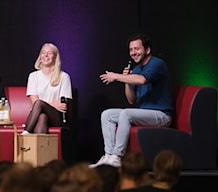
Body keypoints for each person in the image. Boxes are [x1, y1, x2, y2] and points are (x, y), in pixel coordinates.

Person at [91, 33, 173, 167]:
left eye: (137, 49)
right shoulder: (136, 69)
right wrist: (127, 81)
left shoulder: (156, 63)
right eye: (131, 50)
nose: (134, 53)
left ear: (147, 50)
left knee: (126, 114)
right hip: (146, 114)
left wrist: (117, 77)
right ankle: (109, 155)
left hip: (161, 115)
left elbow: (142, 80)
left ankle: (117, 156)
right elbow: (131, 99)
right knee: (107, 115)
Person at [22, 43, 72, 134]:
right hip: (38, 115)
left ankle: (25, 134)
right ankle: (39, 147)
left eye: (49, 53)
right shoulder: (33, 76)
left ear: (55, 57)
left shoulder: (64, 77)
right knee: (42, 116)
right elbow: (35, 102)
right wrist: (53, 104)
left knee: (40, 104)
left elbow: (62, 105)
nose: (45, 55)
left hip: (56, 116)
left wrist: (47, 105)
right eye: (43, 52)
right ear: (40, 56)